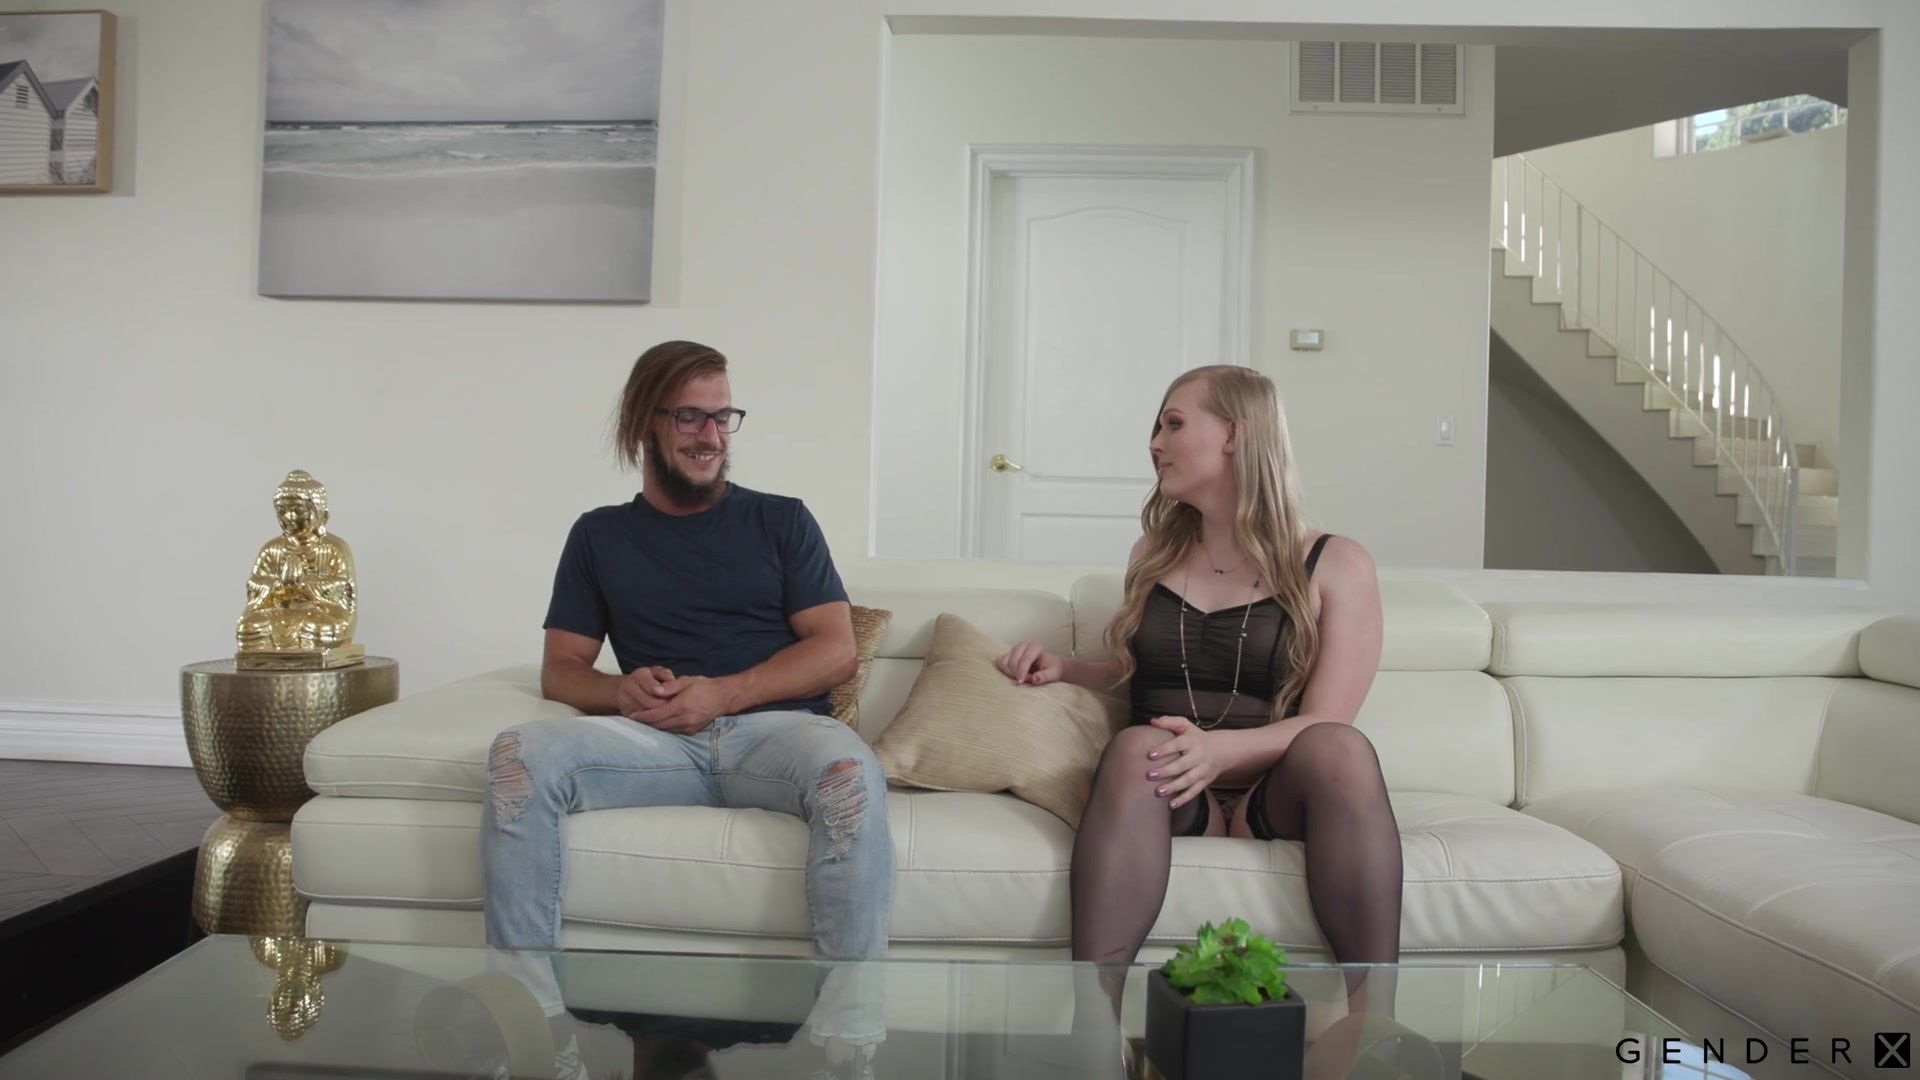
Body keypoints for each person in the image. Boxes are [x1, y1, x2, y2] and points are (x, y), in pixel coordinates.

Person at [476, 340, 894, 1075]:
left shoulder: (781, 520)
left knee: (849, 775)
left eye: (723, 416)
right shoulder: (599, 535)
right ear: (646, 422)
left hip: (775, 734)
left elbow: (834, 651)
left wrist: (724, 693)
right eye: (690, 417)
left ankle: (850, 1044)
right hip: (653, 741)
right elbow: (561, 670)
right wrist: (617, 690)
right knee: (519, 758)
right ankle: (533, 1030)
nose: (710, 436)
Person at [994, 364, 1398, 1050]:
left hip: (1276, 790)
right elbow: (1141, 676)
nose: (1155, 443)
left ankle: (1373, 1027)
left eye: (1174, 424)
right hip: (1174, 788)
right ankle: (1094, 1032)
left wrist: (1221, 751)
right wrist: (1069, 670)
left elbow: (1327, 720)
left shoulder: (1337, 562)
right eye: (1158, 426)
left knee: (1342, 750)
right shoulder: (1153, 552)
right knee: (1135, 746)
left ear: (1236, 435)